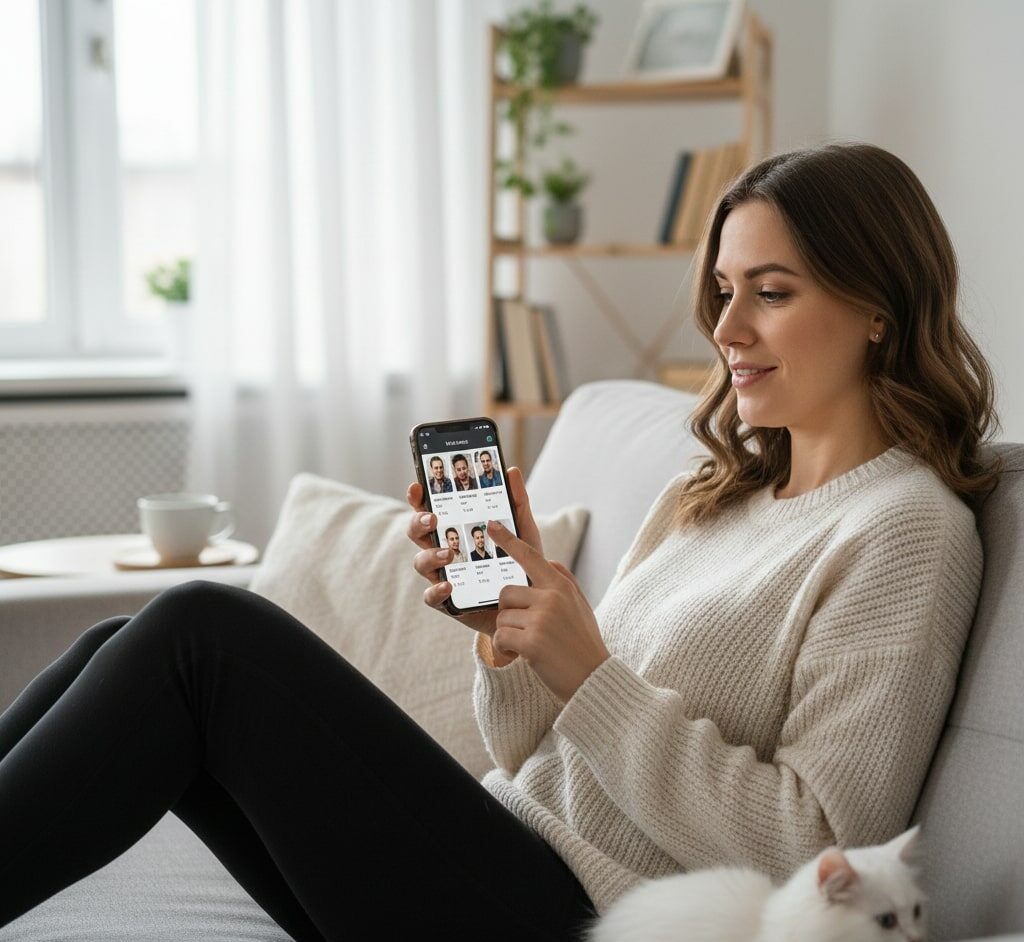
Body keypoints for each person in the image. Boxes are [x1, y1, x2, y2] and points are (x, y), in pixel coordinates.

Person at [0, 143, 1001, 941]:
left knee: (200, 633)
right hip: (501, 852)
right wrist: (512, 642)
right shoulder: (716, 495)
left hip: (580, 914)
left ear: (877, 310)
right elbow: (537, 755)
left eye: (771, 293)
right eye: (723, 292)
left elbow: (821, 851)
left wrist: (592, 673)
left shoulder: (904, 529)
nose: (728, 328)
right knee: (118, 643)